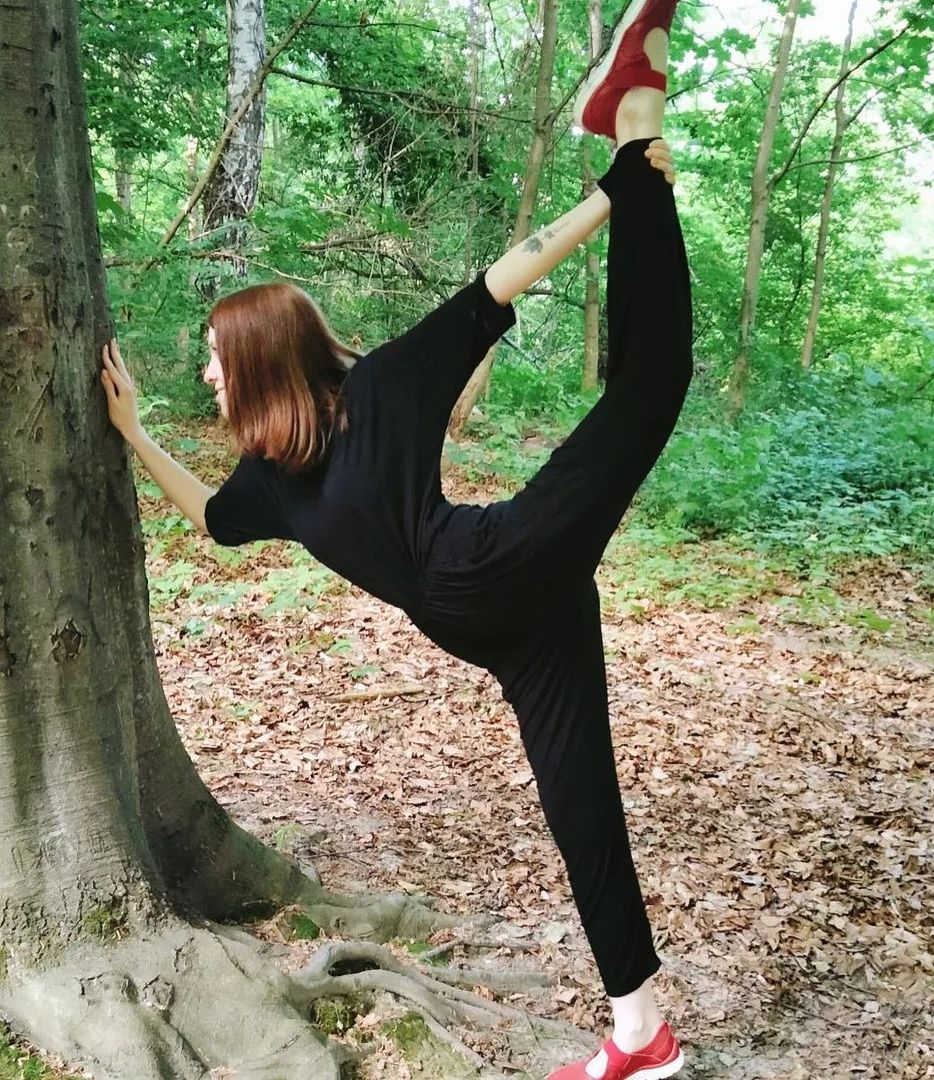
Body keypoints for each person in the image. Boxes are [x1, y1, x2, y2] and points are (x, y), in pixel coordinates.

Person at [102, 0, 689, 1075]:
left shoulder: (384, 387)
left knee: (650, 387)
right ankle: (641, 1034)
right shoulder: (270, 481)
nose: (206, 373)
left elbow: (509, 271)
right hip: (509, 634)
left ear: (260, 357)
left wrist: (616, 191)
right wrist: (136, 432)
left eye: (216, 357)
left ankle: (637, 120)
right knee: (583, 813)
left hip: (497, 562)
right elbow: (205, 519)